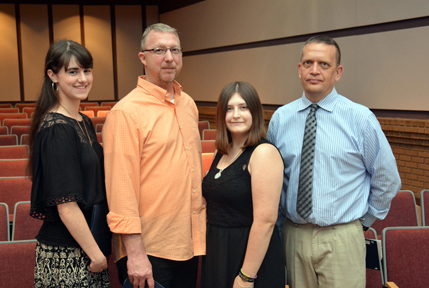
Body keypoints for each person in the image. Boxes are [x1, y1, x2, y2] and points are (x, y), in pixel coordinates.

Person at [267, 35, 401, 288]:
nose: (314, 70)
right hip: (295, 235)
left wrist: (362, 222)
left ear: (338, 72)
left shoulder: (360, 119)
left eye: (324, 64)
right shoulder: (280, 119)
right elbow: (274, 180)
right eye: (308, 63)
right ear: (299, 69)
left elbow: (387, 178)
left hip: (342, 237)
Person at [102, 23, 206, 288]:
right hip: (149, 250)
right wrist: (135, 255)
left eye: (175, 50)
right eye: (159, 50)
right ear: (143, 58)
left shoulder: (188, 104)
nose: (169, 57)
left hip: (188, 243)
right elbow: (121, 191)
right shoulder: (125, 113)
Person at [28, 40, 110, 287]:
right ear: (52, 75)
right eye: (72, 72)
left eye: (86, 70)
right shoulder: (57, 128)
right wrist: (95, 254)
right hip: (66, 253)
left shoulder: (83, 121)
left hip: (88, 244)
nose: (83, 79)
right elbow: (66, 205)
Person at [201, 81, 285, 288]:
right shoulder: (221, 152)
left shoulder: (263, 153)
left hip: (249, 258)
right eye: (229, 109)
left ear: (255, 112)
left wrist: (247, 276)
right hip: (218, 251)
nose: (236, 114)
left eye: (243, 107)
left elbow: (266, 221)